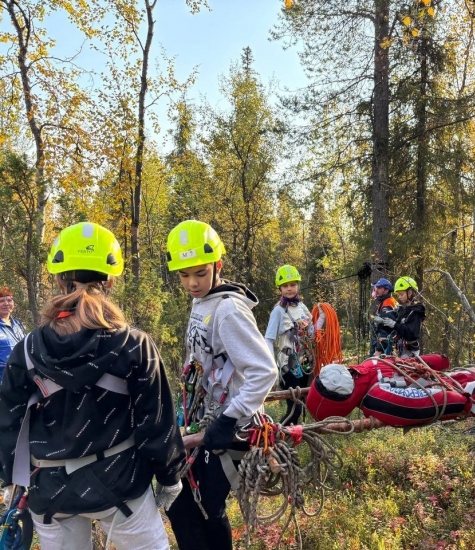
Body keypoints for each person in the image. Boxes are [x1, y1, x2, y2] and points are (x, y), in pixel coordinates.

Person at [0, 222, 185, 549]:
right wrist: (169, 478)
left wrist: (8, 478)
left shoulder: (27, 350)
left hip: (51, 490)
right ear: (110, 279)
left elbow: (8, 424)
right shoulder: (133, 345)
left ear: (59, 277)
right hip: (120, 484)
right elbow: (155, 425)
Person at [165, 220, 277, 550]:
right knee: (188, 505)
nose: (192, 283)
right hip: (205, 418)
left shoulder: (228, 309)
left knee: (201, 506)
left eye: (199, 273)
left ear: (218, 265)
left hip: (228, 427)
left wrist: (229, 419)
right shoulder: (204, 303)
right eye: (184, 275)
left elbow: (263, 371)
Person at [265, 265, 315, 425]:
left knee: (307, 401)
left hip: (305, 363)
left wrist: (320, 320)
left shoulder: (303, 308)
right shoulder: (278, 311)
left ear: (298, 285)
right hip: (288, 364)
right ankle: (279, 436)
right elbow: (269, 339)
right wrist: (270, 366)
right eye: (285, 286)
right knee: (295, 408)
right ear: (279, 288)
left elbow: (312, 333)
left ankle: (300, 435)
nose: (289, 289)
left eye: (292, 285)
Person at [382, 276, 425, 358]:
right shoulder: (403, 310)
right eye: (398, 294)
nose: (399, 297)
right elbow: (397, 327)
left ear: (410, 293)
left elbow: (411, 334)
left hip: (410, 351)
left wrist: (394, 325)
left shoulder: (416, 312)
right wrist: (384, 322)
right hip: (401, 350)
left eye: (401, 294)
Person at [0, 286, 26, 383]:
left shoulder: (18, 325)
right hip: (3, 382)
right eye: (1, 301)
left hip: (20, 381)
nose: (6, 304)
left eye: (9, 300)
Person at [369, 278, 398, 357]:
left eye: (379, 288)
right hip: (385, 343)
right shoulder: (387, 302)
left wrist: (379, 349)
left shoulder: (387, 305)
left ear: (386, 290)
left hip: (384, 345)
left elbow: (386, 329)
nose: (376, 290)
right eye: (376, 288)